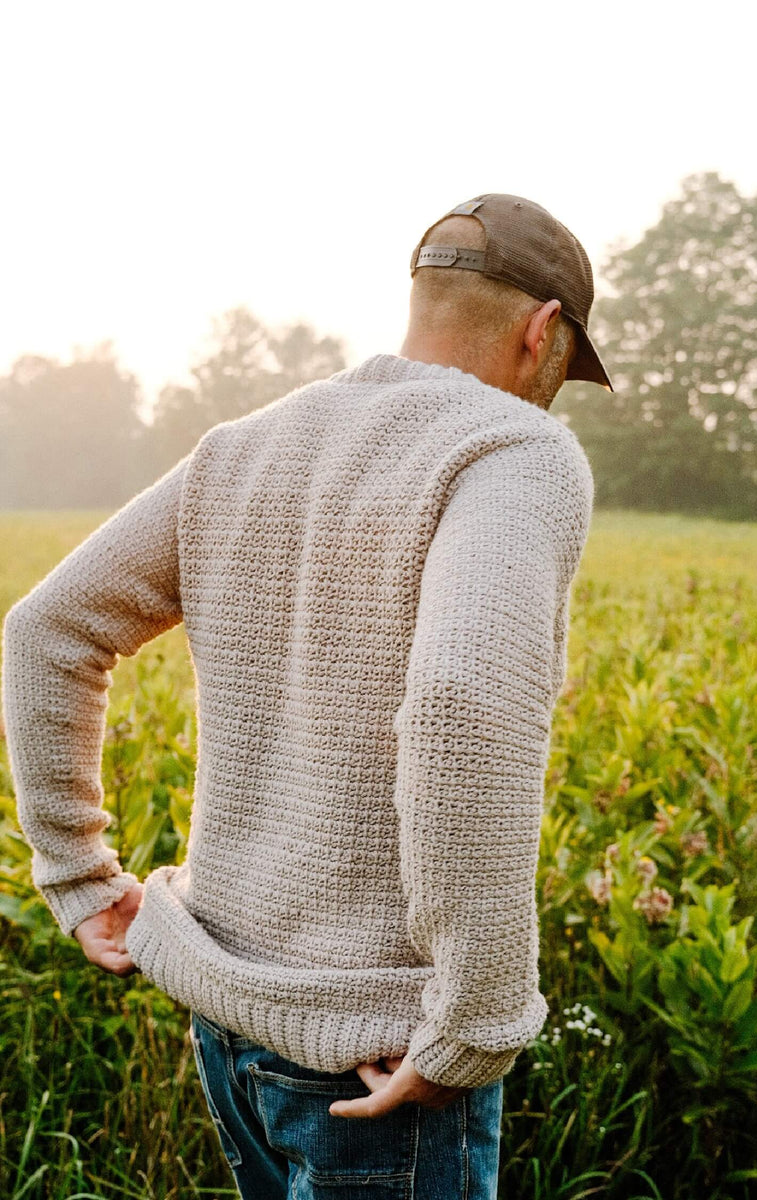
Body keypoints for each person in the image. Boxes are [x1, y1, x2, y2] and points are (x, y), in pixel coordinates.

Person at [1, 193, 612, 1198]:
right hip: (375, 1056)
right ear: (541, 329)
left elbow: (49, 627)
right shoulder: (512, 449)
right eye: (562, 371)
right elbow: (462, 715)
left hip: (224, 1016)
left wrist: (75, 872)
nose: (552, 396)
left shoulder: (243, 445)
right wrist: (470, 1026)